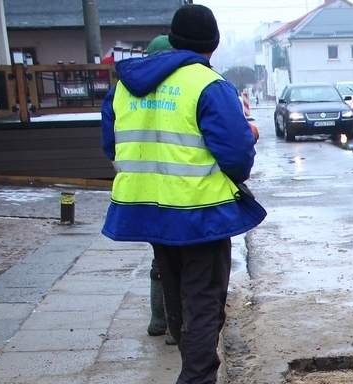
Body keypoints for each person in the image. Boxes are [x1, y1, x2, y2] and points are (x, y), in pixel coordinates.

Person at [100, 4, 266, 383]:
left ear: (173, 39)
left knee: (174, 293)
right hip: (198, 211)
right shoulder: (207, 84)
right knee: (204, 300)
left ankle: (190, 363)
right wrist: (247, 142)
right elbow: (236, 155)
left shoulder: (124, 87)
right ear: (213, 44)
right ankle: (196, 377)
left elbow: (113, 146)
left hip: (146, 209)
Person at [140, 34, 177, 347]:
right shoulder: (181, 90)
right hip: (180, 189)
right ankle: (177, 327)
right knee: (185, 263)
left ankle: (158, 320)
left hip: (143, 191)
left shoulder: (126, 93)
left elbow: (110, 144)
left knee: (160, 259)